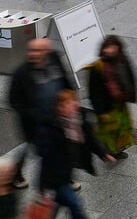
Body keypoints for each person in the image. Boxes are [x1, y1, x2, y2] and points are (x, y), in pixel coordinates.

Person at [35, 90, 116, 219]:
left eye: (74, 101)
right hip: (54, 179)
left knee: (55, 206)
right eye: (69, 103)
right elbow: (45, 158)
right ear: (60, 108)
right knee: (75, 204)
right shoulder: (52, 129)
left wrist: (104, 154)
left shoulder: (79, 120)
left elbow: (90, 139)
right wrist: (43, 187)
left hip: (66, 174)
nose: (74, 104)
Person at [7, 38, 75, 190]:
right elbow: (13, 100)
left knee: (62, 148)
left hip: (58, 117)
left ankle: (65, 178)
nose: (32, 54)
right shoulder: (22, 73)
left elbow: (65, 80)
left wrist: (71, 97)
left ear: (47, 52)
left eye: (37, 50)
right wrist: (32, 114)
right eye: (31, 50)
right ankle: (16, 174)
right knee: (32, 148)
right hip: (35, 123)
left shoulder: (55, 61)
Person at [87, 35, 137, 160]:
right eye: (107, 48)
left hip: (120, 103)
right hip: (107, 106)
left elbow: (130, 78)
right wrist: (100, 111)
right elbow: (94, 92)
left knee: (122, 128)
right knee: (110, 131)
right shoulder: (98, 67)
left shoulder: (122, 60)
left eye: (113, 47)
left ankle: (118, 149)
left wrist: (131, 94)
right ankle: (110, 152)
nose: (110, 51)